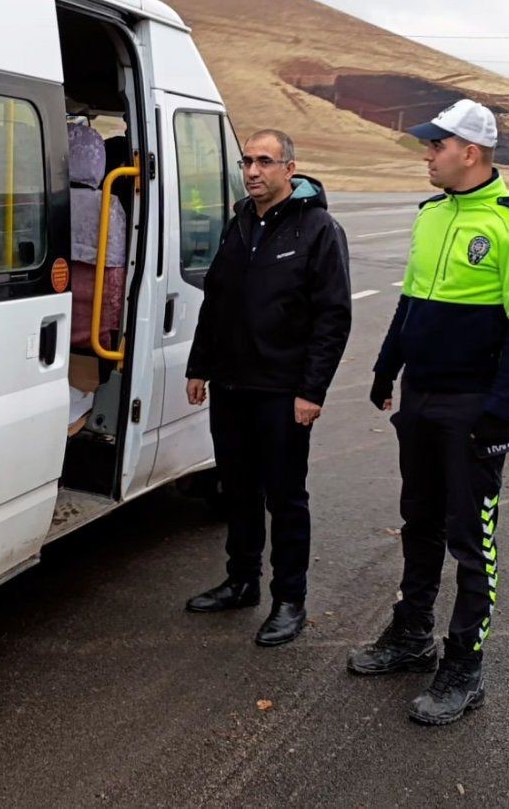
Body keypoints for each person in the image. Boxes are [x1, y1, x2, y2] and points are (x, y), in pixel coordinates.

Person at [353, 98, 509, 726]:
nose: (426, 155)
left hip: (473, 406)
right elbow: (410, 304)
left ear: (470, 152)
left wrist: (498, 414)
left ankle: (464, 668)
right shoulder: (432, 214)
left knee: (472, 539)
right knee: (420, 520)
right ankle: (412, 635)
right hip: (422, 398)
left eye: (435, 146)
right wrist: (387, 369)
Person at [184, 129, 352, 647]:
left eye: (264, 162)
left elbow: (333, 317)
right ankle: (241, 581)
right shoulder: (238, 224)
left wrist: (312, 391)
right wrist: (200, 365)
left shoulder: (319, 229)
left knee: (284, 497)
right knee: (237, 490)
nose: (253, 171)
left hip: (282, 390)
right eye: (247, 161)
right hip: (232, 385)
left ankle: (289, 599)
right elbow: (216, 299)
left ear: (290, 169)